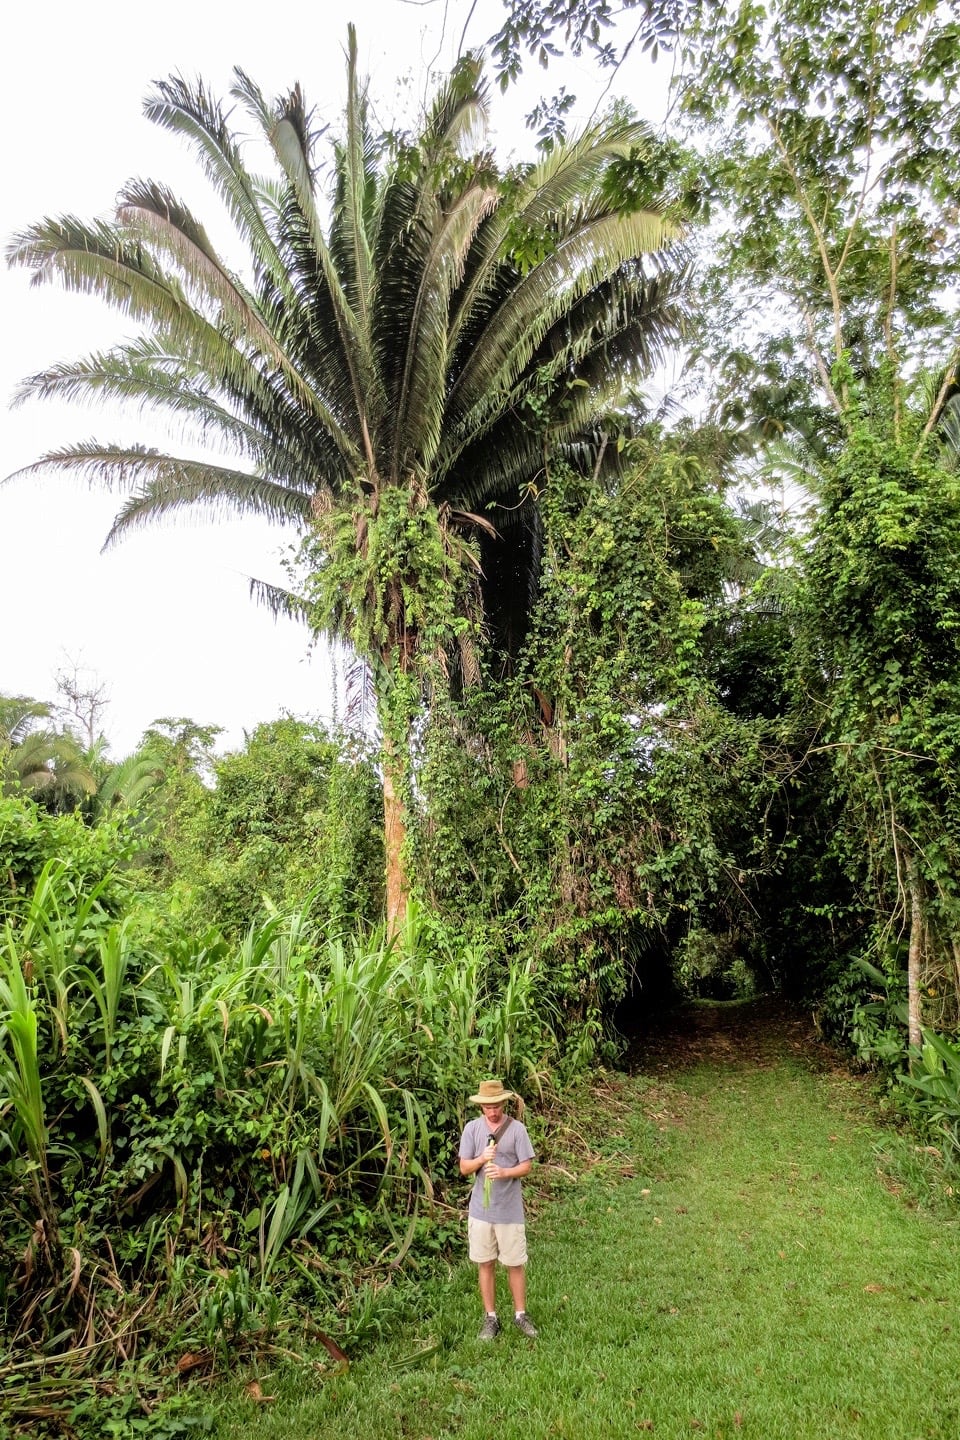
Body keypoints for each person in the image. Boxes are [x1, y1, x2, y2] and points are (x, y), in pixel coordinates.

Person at [458, 1077, 538, 1340]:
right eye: (487, 1106)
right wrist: (482, 1158)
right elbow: (464, 1168)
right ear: (481, 1106)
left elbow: (526, 1166)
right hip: (481, 1212)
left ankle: (520, 1315)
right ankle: (491, 1318)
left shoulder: (517, 1130)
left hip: (509, 1210)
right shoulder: (472, 1129)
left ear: (504, 1102)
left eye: (496, 1105)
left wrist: (504, 1171)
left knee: (515, 1264)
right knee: (486, 1263)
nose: (492, 1111)